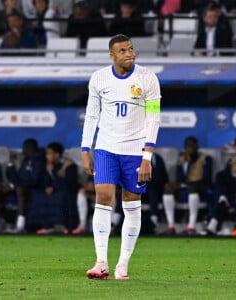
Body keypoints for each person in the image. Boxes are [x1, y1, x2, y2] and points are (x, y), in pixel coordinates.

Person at [81, 34, 161, 280]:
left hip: (135, 151)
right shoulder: (99, 78)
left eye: (131, 49)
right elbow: (92, 115)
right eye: (123, 51)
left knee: (131, 203)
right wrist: (86, 148)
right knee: (103, 197)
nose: (130, 54)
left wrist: (147, 156)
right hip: (106, 148)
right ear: (112, 55)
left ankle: (123, 264)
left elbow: (153, 118)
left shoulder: (148, 78)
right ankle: (101, 261)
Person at [162, 136, 213, 235]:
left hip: (201, 189)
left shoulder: (205, 159)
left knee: (192, 188)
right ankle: (171, 226)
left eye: (192, 145)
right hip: (186, 188)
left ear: (196, 147)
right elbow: (179, 179)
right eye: (187, 146)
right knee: (168, 188)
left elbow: (207, 180)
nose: (189, 148)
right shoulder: (182, 159)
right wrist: (186, 164)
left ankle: (191, 227)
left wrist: (188, 184)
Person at [205, 136, 236, 235]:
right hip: (232, 190)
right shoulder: (232, 161)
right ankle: (213, 226)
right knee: (220, 177)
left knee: (234, 190)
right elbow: (226, 177)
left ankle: (231, 227)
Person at [2, 138, 45, 233]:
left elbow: (34, 180)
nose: (22, 150)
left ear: (30, 148)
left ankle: (20, 225)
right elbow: (16, 178)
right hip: (21, 187)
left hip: (36, 189)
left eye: (24, 147)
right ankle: (3, 223)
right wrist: (11, 164)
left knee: (20, 190)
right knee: (0, 190)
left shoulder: (40, 161)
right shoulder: (26, 160)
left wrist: (14, 185)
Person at [35, 142, 79, 235]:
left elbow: (70, 184)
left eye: (49, 153)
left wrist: (53, 173)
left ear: (57, 154)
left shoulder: (69, 165)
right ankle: (48, 226)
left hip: (68, 191)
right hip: (55, 191)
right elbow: (46, 181)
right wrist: (48, 186)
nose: (47, 156)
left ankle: (68, 226)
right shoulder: (48, 165)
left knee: (65, 197)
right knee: (39, 195)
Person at [141, 152, 169, 233]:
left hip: (158, 190)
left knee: (153, 191)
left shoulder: (158, 158)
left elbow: (164, 176)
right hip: (141, 190)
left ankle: (154, 222)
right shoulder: (137, 158)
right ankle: (114, 224)